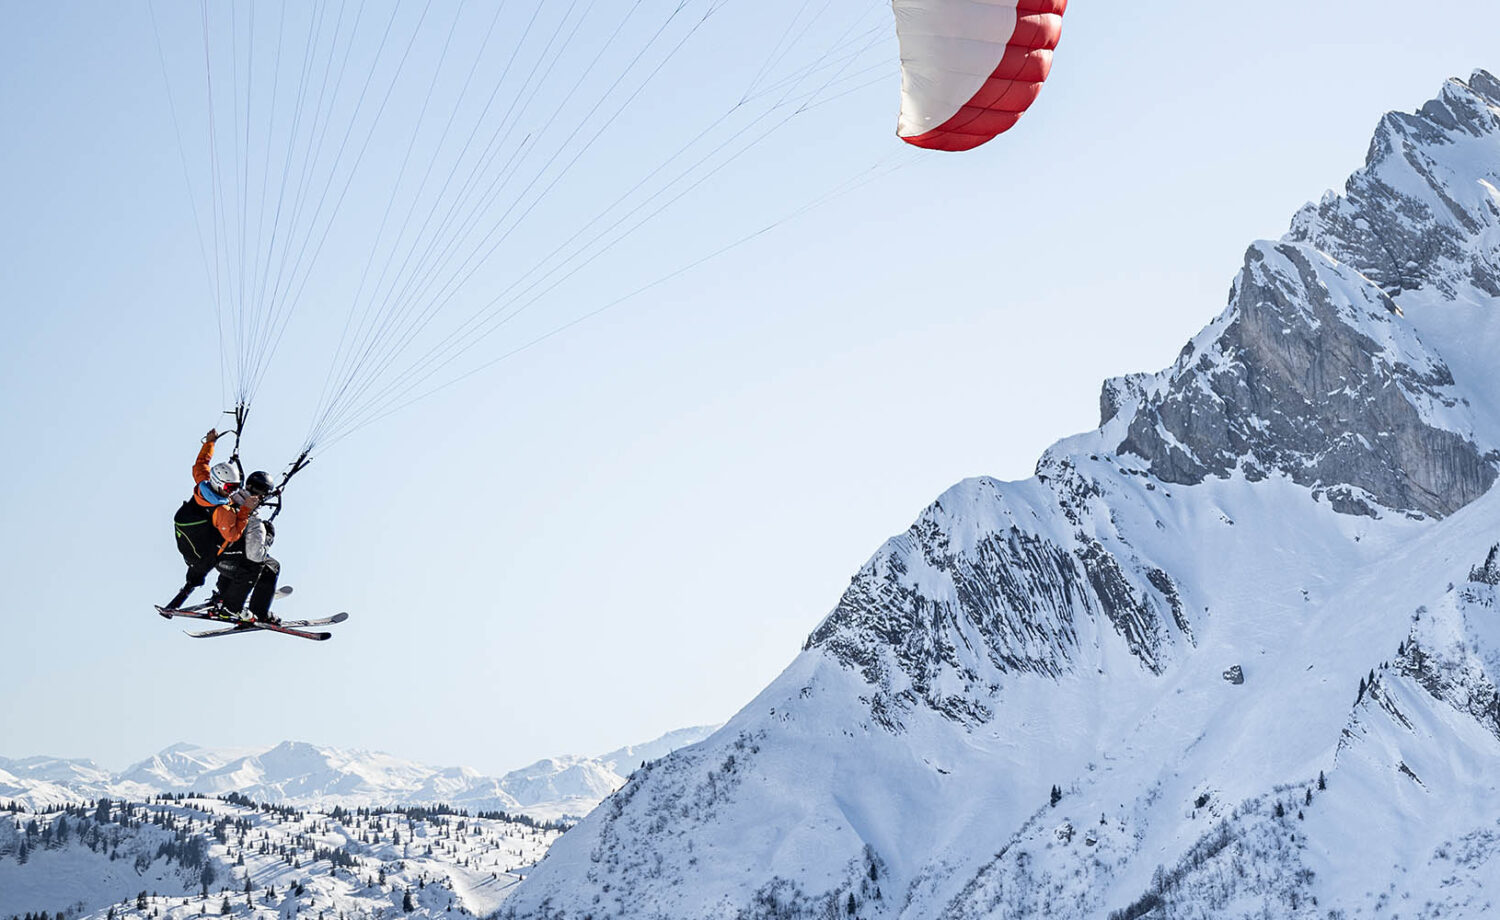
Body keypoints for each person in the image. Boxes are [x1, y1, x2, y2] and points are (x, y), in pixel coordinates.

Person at [166, 429, 275, 617]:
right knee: (260, 565)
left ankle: (225, 594)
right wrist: (246, 510)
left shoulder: (203, 485)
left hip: (200, 548)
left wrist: (210, 443)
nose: (231, 492)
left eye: (234, 487)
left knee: (239, 553)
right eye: (228, 488)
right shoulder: (221, 510)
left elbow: (201, 464)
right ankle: (233, 607)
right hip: (210, 552)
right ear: (219, 484)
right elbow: (232, 534)